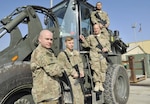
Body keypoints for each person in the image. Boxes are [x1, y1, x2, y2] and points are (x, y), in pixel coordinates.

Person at [30, 29, 63, 104]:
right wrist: (63, 66)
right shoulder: (42, 53)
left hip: (49, 95)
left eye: (51, 39)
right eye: (47, 39)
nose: (49, 42)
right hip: (46, 97)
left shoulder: (47, 51)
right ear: (40, 39)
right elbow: (55, 71)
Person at [80, 24, 111, 92]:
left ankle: (101, 84)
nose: (96, 30)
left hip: (102, 55)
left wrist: (106, 49)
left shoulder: (104, 37)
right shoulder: (91, 37)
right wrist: (83, 40)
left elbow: (108, 45)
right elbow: (86, 45)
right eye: (94, 28)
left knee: (103, 69)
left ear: (99, 29)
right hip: (94, 55)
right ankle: (97, 84)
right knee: (96, 69)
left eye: (97, 28)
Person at [57, 36, 84, 104]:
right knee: (74, 96)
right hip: (70, 78)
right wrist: (71, 72)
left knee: (81, 94)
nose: (71, 45)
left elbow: (80, 63)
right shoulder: (62, 55)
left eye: (72, 43)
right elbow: (60, 67)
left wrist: (81, 70)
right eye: (69, 43)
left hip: (78, 76)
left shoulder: (76, 53)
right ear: (65, 44)